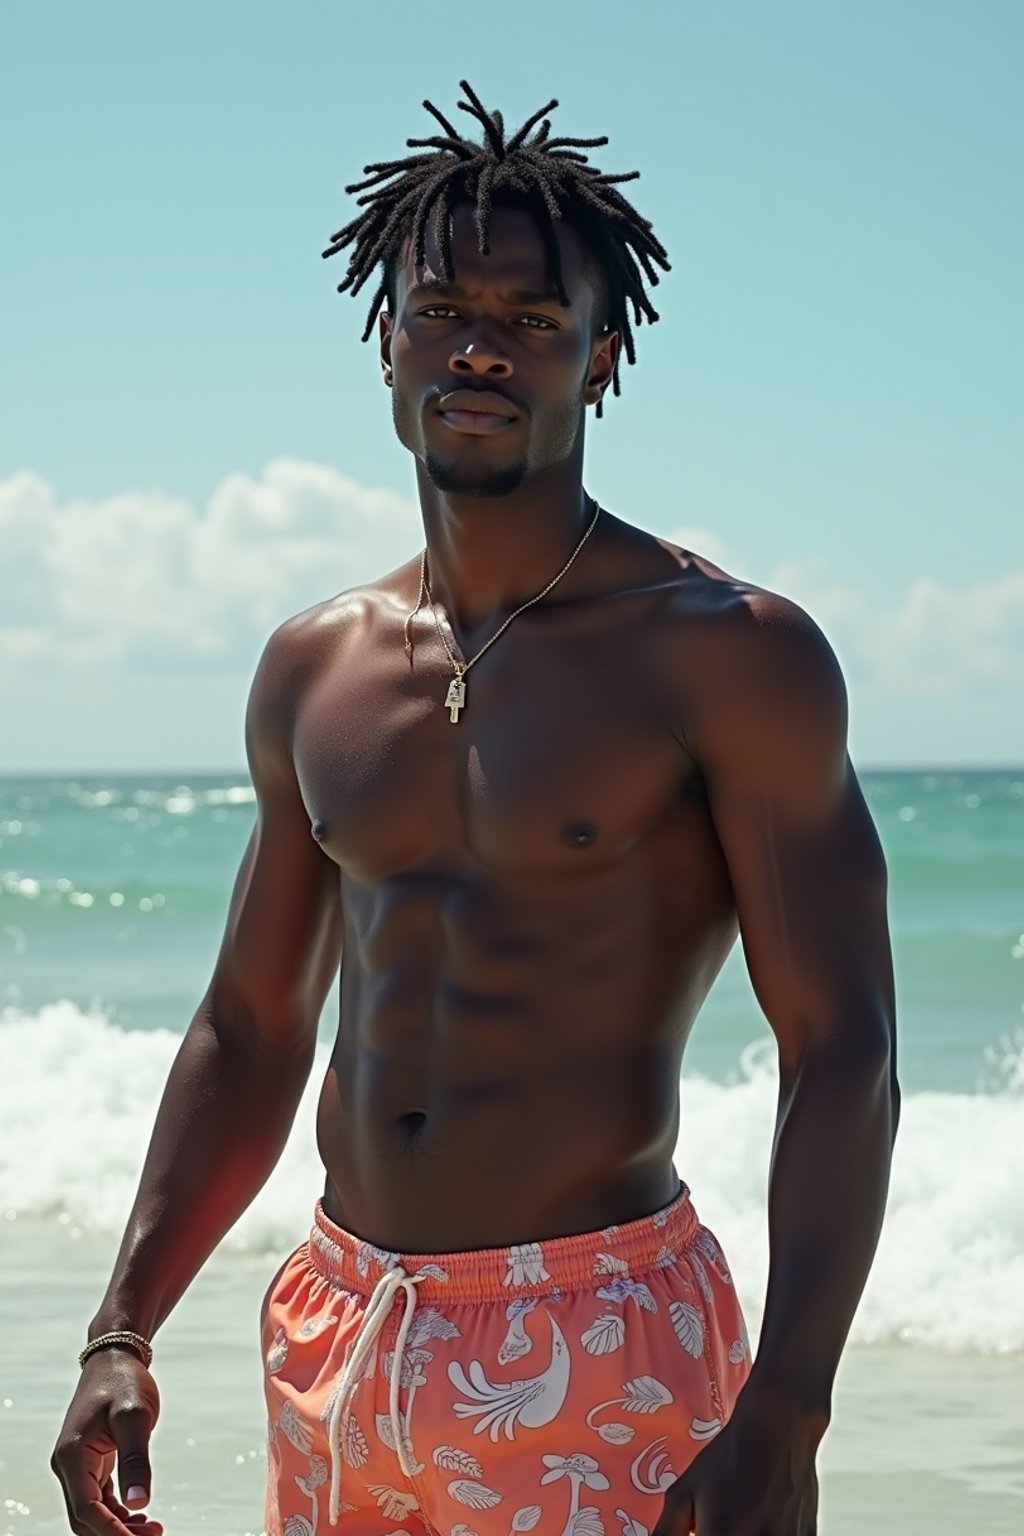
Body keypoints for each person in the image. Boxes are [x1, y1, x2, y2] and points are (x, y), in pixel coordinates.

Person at [52, 81, 900, 1536]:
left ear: (605, 355)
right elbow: (253, 1028)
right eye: (442, 308)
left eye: (533, 318)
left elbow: (844, 1050)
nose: (481, 348)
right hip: (339, 1329)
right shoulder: (316, 668)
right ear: (386, 341)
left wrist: (789, 1408)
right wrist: (120, 1329)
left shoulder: (727, 654)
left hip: (599, 1338)